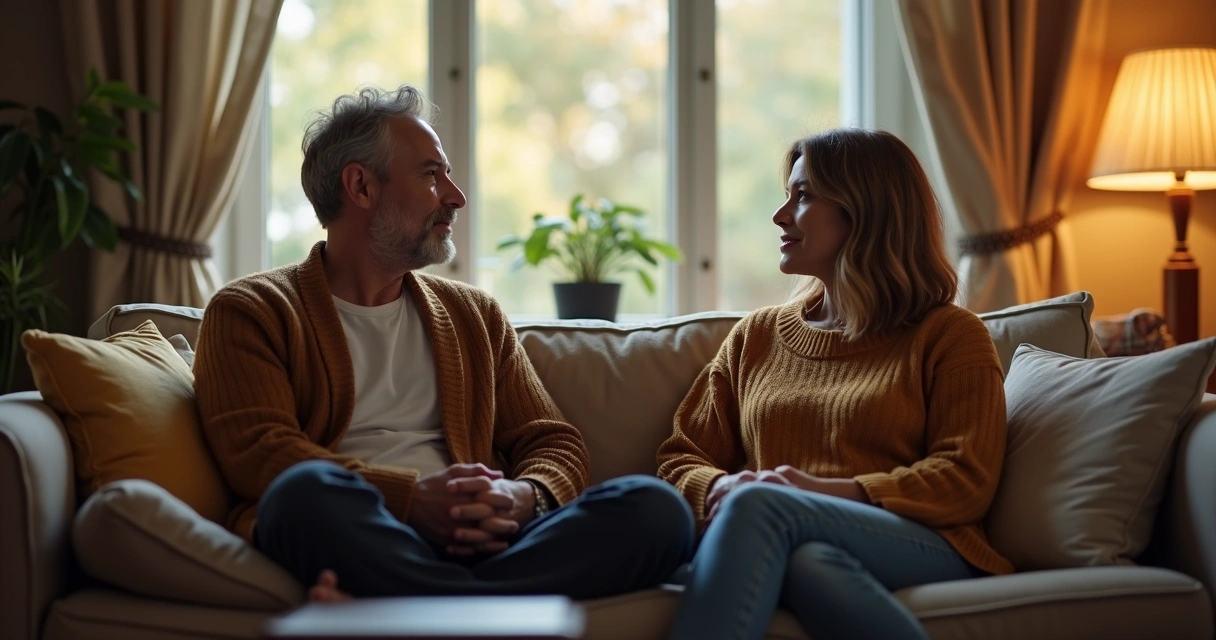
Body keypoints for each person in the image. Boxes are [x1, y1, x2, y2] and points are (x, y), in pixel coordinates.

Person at [193, 84, 694, 601]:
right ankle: (485, 610)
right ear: (361, 187)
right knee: (301, 497)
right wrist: (408, 501)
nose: (456, 196)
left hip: (488, 541)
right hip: (367, 533)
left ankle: (430, 607)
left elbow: (552, 441)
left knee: (655, 509)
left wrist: (524, 497)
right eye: (432, 175)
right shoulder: (252, 309)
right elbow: (259, 454)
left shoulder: (474, 314)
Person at [656, 128, 1012, 640]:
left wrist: (818, 493)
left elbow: (965, 479)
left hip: (923, 543)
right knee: (809, 560)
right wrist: (719, 486)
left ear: (865, 211)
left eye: (802, 196)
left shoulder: (950, 335)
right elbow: (678, 458)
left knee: (764, 507)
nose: (780, 216)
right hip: (788, 535)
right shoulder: (756, 337)